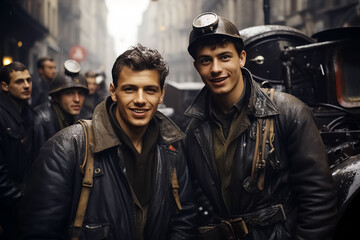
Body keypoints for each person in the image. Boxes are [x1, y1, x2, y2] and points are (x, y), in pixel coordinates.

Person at [184, 12, 338, 240]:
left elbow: (319, 199)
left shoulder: (289, 112)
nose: (215, 68)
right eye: (206, 60)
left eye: (224, 57)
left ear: (242, 58)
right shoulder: (194, 131)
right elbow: (201, 201)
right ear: (197, 66)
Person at [19, 44, 197, 239]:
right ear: (113, 91)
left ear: (161, 94)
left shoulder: (172, 147)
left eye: (150, 90)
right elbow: (38, 231)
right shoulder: (67, 147)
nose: (140, 99)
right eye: (129, 89)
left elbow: (184, 219)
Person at [0, 62, 35, 239]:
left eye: (29, 80)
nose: (27, 85)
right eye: (19, 82)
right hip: (8, 207)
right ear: (4, 86)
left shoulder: (29, 113)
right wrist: (24, 199)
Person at [32, 60, 88, 158]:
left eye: (81, 93)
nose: (77, 99)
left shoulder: (85, 117)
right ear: (56, 97)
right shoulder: (42, 120)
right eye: (69, 93)